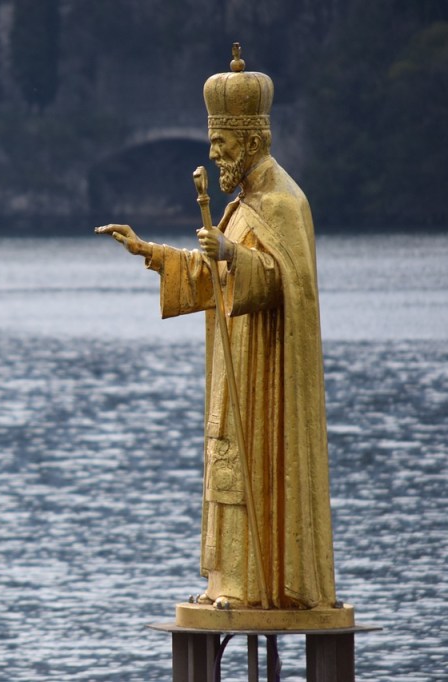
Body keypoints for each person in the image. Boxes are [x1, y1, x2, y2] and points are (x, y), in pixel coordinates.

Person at [97, 45, 338, 611]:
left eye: (221, 144)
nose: (213, 153)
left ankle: (265, 583)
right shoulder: (240, 202)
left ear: (252, 143)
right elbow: (214, 279)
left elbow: (290, 289)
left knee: (255, 471)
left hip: (269, 380)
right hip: (238, 374)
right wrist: (150, 251)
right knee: (228, 470)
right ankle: (232, 582)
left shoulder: (282, 204)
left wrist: (232, 252)